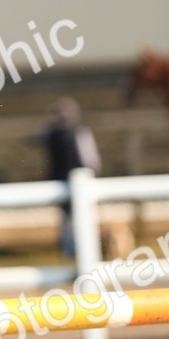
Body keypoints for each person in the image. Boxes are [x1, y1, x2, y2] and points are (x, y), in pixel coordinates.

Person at [37, 97, 101, 256]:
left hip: (77, 179)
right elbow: (92, 158)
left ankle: (79, 248)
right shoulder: (52, 133)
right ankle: (71, 249)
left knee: (78, 216)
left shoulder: (78, 131)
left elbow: (90, 157)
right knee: (68, 217)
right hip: (64, 179)